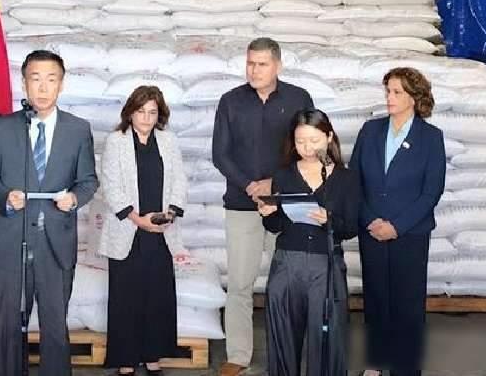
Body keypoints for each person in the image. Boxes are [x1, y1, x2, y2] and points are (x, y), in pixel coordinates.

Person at [0, 49, 99, 376]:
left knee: (55, 322)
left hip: (56, 241)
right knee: (8, 322)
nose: (43, 88)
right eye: (35, 79)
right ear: (24, 83)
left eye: (51, 79)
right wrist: (5, 197)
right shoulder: (2, 128)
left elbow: (88, 180)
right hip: (12, 240)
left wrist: (74, 199)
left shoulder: (78, 129)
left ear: (61, 84)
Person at [212, 37, 314, 376]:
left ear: (277, 66)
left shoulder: (298, 99)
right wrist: (250, 186)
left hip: (285, 206)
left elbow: (308, 148)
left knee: (288, 285)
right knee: (240, 284)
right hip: (241, 206)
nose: (254, 70)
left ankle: (287, 353)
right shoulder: (230, 101)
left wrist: (274, 184)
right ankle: (238, 355)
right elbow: (220, 154)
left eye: (262, 64)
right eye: (250, 63)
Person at [349, 67, 446, 376]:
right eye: (388, 91)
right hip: (371, 230)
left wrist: (397, 226)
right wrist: (369, 220)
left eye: (397, 92)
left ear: (414, 98)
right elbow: (354, 181)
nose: (389, 98)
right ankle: (376, 362)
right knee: (376, 298)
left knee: (407, 302)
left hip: (410, 234)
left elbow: (431, 192)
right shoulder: (370, 131)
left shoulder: (431, 138)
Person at [258, 109, 359, 376]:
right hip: (287, 263)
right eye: (300, 141)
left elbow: (351, 228)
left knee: (327, 338)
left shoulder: (346, 178)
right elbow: (276, 226)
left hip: (326, 265)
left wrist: (329, 220)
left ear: (329, 137)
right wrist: (269, 214)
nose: (307, 147)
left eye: (314, 140)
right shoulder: (284, 175)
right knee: (283, 336)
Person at [98, 86, 190, 376]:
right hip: (129, 228)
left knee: (157, 295)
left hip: (161, 229)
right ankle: (125, 360)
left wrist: (170, 214)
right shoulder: (116, 141)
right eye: (141, 111)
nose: (146, 118)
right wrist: (138, 220)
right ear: (130, 112)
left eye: (152, 112)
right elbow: (110, 185)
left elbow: (179, 179)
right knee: (126, 296)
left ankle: (153, 356)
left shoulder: (168, 140)